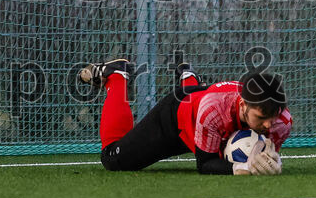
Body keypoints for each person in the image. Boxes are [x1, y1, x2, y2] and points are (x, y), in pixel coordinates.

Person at [86, 58, 292, 175]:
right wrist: (245, 167)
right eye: (261, 117)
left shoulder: (281, 121)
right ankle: (116, 76)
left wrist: (272, 160)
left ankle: (189, 77)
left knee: (206, 112)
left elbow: (267, 149)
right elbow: (205, 164)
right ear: (243, 104)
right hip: (175, 119)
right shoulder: (214, 110)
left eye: (273, 117)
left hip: (202, 102)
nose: (268, 124)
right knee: (113, 159)